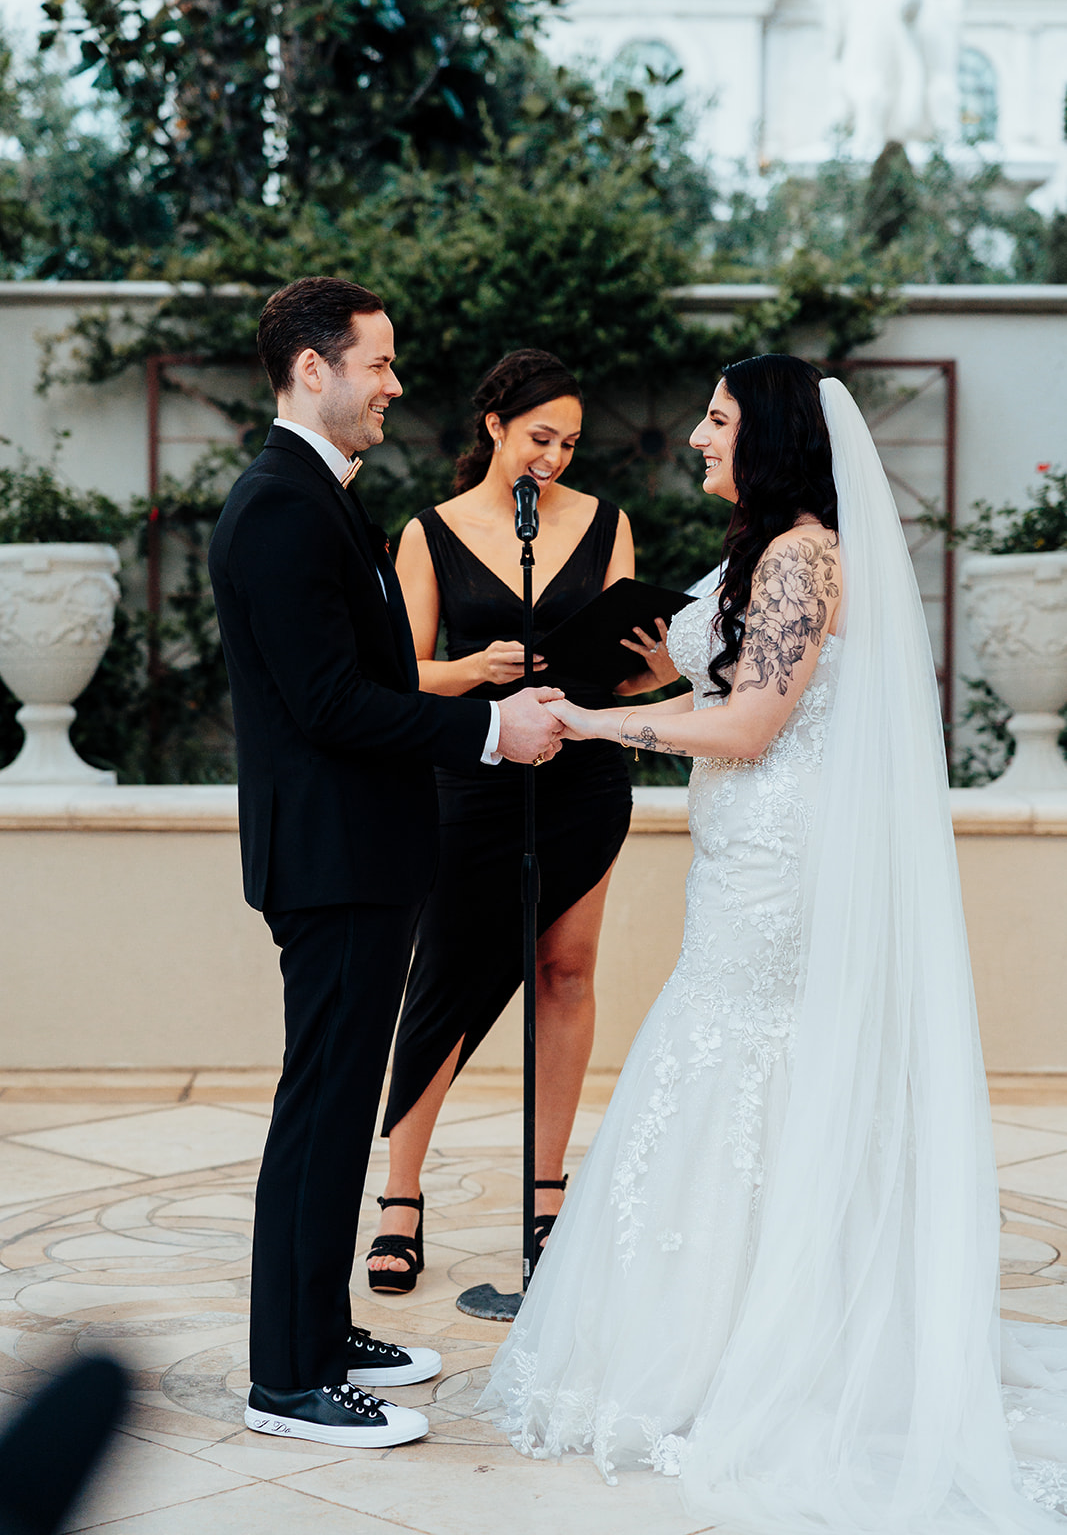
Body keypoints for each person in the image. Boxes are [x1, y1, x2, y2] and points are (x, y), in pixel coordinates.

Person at [482, 355, 1067, 1531]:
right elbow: (739, 681)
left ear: (775, 435)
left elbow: (751, 725)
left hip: (779, 861)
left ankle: (757, 1341)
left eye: (718, 418)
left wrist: (593, 720)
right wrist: (651, 677)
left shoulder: (802, 552)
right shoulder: (767, 550)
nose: (698, 436)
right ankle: (739, 1315)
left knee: (743, 1053)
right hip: (743, 851)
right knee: (731, 1051)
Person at [208, 277, 565, 1449]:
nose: (396, 383)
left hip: (360, 854)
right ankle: (289, 1378)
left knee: (336, 1103)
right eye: (379, 362)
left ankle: (320, 1325)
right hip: (334, 860)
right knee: (318, 1113)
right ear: (313, 369)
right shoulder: (278, 507)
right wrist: (485, 730)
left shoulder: (316, 496)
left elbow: (353, 683)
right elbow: (328, 703)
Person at [367, 348, 679, 1293]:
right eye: (540, 436)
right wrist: (477, 675)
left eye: (571, 443)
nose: (555, 457)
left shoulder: (606, 523)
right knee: (448, 979)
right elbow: (396, 672)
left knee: (567, 971)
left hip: (583, 775)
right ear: (495, 427)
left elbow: (628, 668)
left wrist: (661, 669)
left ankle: (546, 1196)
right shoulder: (428, 531)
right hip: (471, 775)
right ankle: (400, 1197)